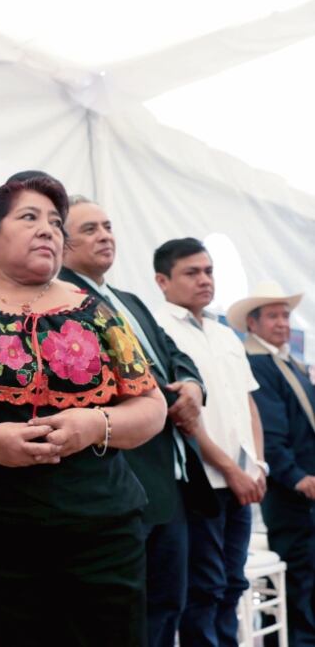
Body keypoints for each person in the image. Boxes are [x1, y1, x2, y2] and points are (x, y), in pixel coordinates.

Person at [0, 174, 167, 647]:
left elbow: (151, 406)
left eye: (56, 223)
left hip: (102, 530)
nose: (49, 230)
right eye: (29, 217)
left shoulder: (96, 311)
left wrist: (94, 424)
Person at [59, 195, 217, 647]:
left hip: (170, 484)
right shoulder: (62, 300)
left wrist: (191, 388)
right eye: (89, 229)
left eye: (107, 226)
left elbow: (175, 355)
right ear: (62, 240)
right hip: (120, 478)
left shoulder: (129, 300)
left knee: (169, 607)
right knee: (124, 618)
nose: (104, 235)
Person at [152, 237, 267, 647]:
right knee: (204, 590)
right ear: (162, 281)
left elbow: (247, 404)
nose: (204, 280)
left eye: (209, 271)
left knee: (233, 583)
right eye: (191, 272)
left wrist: (257, 465)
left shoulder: (225, 335)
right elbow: (185, 419)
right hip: (200, 484)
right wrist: (232, 469)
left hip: (242, 481)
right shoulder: (160, 331)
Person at [228, 282, 315, 646]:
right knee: (301, 579)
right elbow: (269, 431)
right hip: (292, 492)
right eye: (273, 316)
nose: (282, 323)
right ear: (252, 323)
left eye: (285, 315)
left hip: (304, 488)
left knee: (307, 579)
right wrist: (297, 477)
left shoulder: (288, 362)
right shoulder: (260, 365)